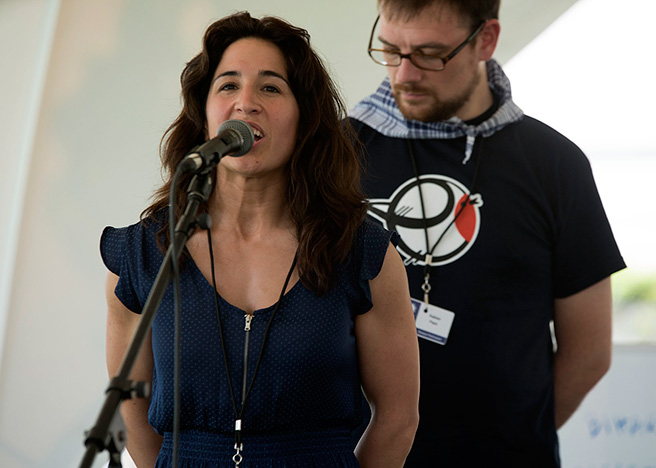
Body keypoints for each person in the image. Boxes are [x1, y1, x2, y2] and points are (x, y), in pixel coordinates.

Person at [101, 11, 419, 468]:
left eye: (270, 87)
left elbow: (397, 417)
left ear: (303, 116)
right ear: (204, 114)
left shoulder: (361, 253)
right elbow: (130, 406)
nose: (245, 102)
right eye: (227, 85)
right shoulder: (140, 255)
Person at [348, 0, 626, 466]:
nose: (404, 75)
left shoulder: (555, 164)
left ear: (487, 40)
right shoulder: (335, 156)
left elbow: (589, 351)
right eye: (391, 50)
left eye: (431, 54)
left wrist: (512, 440)